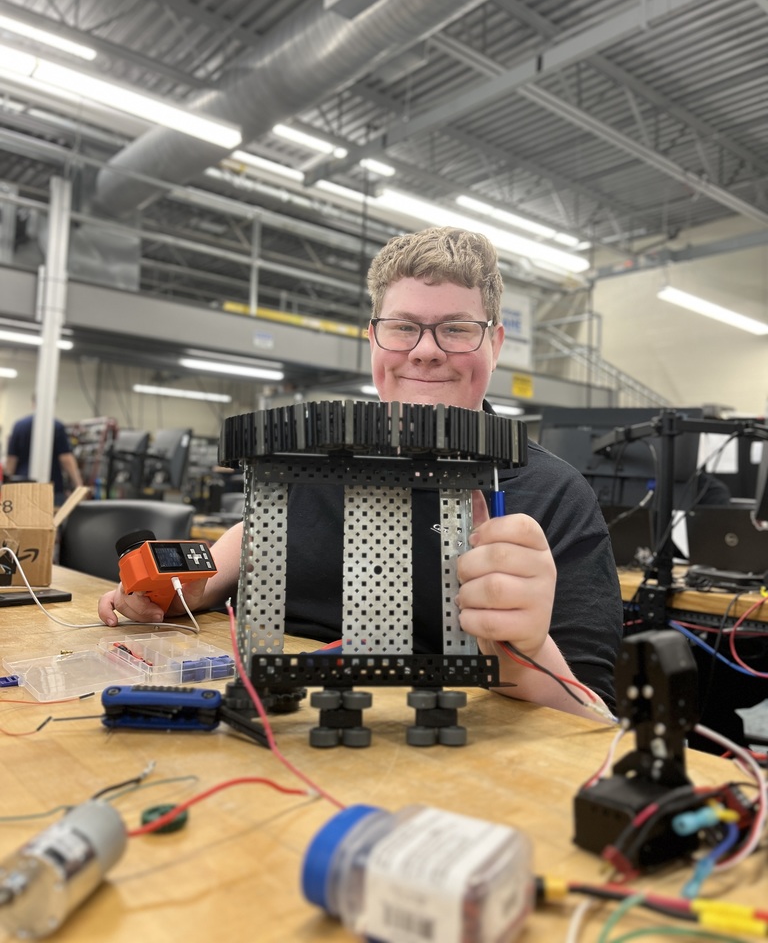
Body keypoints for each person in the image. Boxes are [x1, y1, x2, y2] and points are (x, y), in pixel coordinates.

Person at [99, 227, 623, 716]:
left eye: (457, 330)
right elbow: (198, 585)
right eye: (402, 329)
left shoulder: (554, 494)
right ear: (374, 340)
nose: (424, 352)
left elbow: (593, 716)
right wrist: (154, 595)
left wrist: (527, 651)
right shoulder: (305, 467)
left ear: (496, 343)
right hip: (276, 726)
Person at [5, 405, 83, 505]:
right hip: (52, 487)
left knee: (22, 519)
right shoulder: (57, 426)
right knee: (52, 519)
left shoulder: (19, 426)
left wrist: (6, 486)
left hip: (21, 487)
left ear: (33, 404)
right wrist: (78, 485)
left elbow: (11, 459)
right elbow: (66, 458)